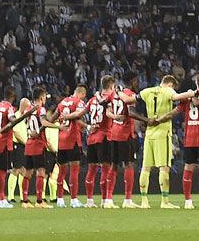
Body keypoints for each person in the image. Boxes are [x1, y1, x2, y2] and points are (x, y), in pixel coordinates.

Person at [137, 75, 198, 208]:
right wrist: (193, 92)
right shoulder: (169, 91)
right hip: (163, 132)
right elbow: (176, 97)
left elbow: (132, 98)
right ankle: (164, 201)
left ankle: (144, 201)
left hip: (149, 132)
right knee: (164, 167)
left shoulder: (147, 91)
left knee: (146, 167)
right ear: (170, 84)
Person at [169, 73, 199, 209]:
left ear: (196, 84)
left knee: (188, 168)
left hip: (190, 138)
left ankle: (187, 201)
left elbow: (175, 112)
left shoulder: (187, 99)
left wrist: (160, 119)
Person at [105, 71, 150, 208]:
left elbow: (104, 104)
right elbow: (131, 112)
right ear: (133, 81)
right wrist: (147, 120)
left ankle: (108, 199)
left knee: (114, 165)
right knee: (129, 164)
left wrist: (113, 116)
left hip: (113, 133)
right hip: (125, 134)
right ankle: (128, 199)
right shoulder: (129, 95)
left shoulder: (114, 94)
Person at [22, 87, 60, 208]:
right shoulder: (41, 109)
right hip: (38, 144)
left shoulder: (27, 109)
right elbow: (43, 123)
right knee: (41, 172)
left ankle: (25, 201)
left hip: (29, 143)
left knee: (27, 173)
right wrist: (59, 127)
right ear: (42, 98)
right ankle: (39, 201)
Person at [51, 85, 89, 208]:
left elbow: (53, 118)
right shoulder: (79, 102)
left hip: (61, 140)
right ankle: (73, 199)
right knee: (74, 169)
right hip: (73, 139)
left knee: (61, 170)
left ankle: (60, 199)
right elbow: (78, 116)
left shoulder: (62, 102)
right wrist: (86, 126)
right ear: (82, 93)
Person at [0, 87, 26, 208]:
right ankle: (0, 199)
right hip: (3, 142)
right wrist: (22, 117)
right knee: (2, 171)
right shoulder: (9, 108)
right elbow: (12, 120)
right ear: (13, 96)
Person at [83, 77, 113, 207]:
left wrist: (88, 126)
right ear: (111, 86)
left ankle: (89, 200)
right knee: (105, 168)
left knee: (92, 169)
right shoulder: (110, 99)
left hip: (91, 137)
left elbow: (79, 114)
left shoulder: (92, 100)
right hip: (104, 136)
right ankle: (105, 200)